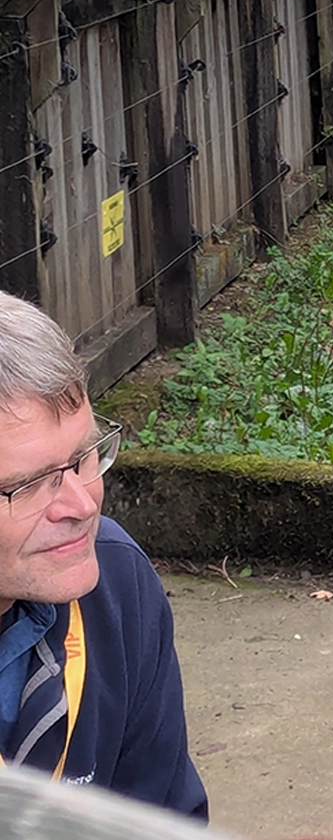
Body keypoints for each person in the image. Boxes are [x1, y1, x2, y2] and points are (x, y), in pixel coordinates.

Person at [0, 290, 208, 819]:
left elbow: (163, 816)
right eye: (28, 485)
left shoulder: (116, 585)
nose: (82, 502)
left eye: (83, 456)